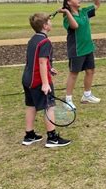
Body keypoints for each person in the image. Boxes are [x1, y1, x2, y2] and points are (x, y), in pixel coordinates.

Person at [22, 13, 71, 148]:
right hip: (38, 81)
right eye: (50, 21)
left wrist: (50, 68)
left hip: (27, 79)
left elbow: (37, 60)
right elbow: (42, 62)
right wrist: (45, 83)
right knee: (49, 106)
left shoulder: (33, 39)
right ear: (45, 26)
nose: (51, 22)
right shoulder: (45, 41)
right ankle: (52, 138)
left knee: (31, 106)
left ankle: (29, 135)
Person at [61, 0, 102, 110]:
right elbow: (75, 26)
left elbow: (97, 5)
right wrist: (67, 12)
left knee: (90, 71)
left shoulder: (84, 12)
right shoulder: (67, 18)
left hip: (88, 48)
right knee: (74, 74)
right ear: (68, 2)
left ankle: (87, 95)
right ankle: (67, 100)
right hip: (77, 50)